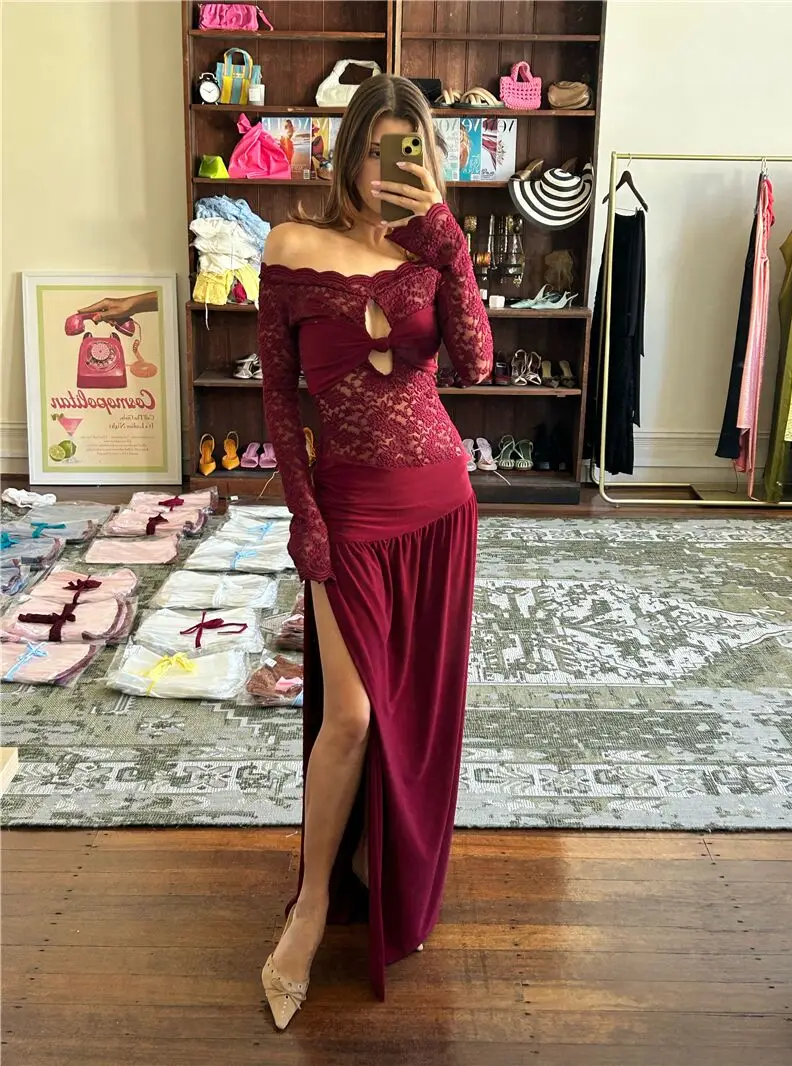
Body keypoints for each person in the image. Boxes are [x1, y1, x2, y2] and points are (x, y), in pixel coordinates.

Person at [257, 73, 493, 1031]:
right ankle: (311, 908)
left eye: (413, 149)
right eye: (378, 147)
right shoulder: (289, 246)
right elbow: (280, 401)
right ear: (349, 150)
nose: (392, 166)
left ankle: (378, 859)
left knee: (412, 707)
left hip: (441, 505)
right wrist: (303, 516)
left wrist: (450, 244)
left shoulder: (434, 246)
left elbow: (475, 365)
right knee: (350, 715)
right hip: (349, 508)